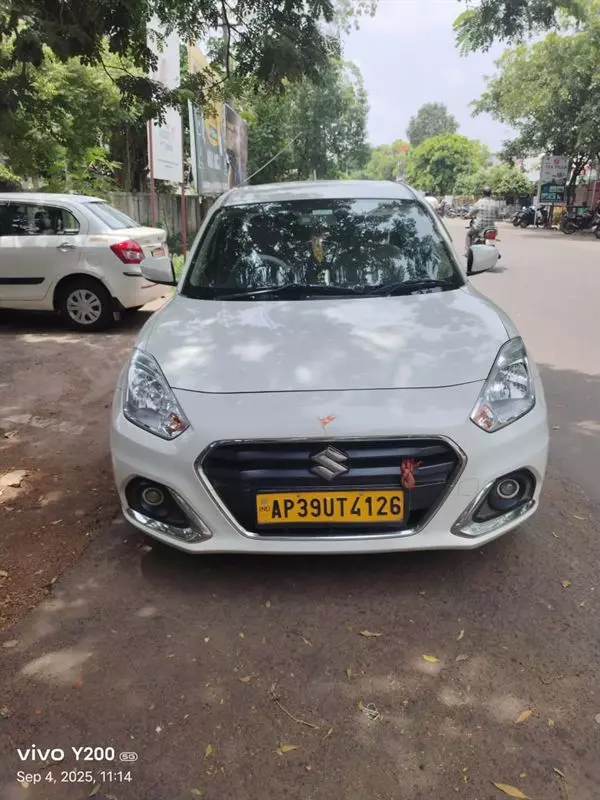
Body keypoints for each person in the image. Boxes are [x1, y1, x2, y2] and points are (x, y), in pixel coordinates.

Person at [465, 186, 497, 255]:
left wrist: (467, 216)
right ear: (491, 193)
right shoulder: (495, 203)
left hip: (479, 227)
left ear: (483, 193)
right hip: (491, 228)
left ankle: (468, 252)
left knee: (468, 234)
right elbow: (497, 214)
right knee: (493, 237)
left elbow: (471, 213)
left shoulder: (479, 202)